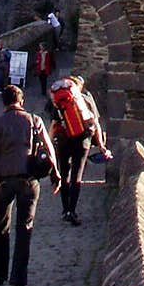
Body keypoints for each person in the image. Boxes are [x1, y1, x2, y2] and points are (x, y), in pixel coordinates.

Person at [0, 85, 60, 286]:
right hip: (28, 181)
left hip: (1, 182)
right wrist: (55, 175)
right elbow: (48, 149)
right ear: (21, 101)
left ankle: (0, 272)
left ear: (4, 102)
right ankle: (19, 278)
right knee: (25, 228)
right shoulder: (34, 120)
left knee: (1, 226)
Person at [47, 74, 111, 227]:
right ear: (79, 87)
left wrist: (48, 143)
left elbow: (53, 125)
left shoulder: (60, 102)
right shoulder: (86, 100)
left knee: (64, 174)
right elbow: (95, 124)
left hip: (64, 141)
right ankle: (72, 211)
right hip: (82, 141)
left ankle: (64, 210)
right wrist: (101, 145)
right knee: (77, 175)